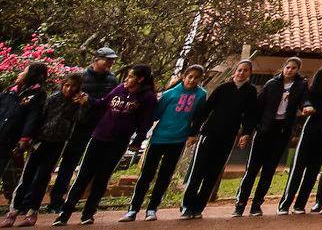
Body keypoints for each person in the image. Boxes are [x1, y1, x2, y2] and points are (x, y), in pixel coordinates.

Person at [54, 64, 158, 226]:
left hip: (118, 142)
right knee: (83, 175)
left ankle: (88, 213)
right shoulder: (119, 89)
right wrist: (87, 100)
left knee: (102, 177)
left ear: (140, 79)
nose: (127, 79)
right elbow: (102, 104)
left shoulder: (148, 97)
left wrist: (138, 140)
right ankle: (64, 213)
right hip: (99, 137)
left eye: (130, 76)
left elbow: (145, 121)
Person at [122, 66, 209, 221]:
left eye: (196, 78)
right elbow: (155, 115)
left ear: (200, 79)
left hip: (178, 140)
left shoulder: (201, 95)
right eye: (190, 76)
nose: (192, 80)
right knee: (146, 175)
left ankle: (152, 208)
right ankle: (133, 209)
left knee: (165, 176)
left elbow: (199, 116)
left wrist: (192, 134)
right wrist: (139, 134)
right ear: (184, 76)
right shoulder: (170, 94)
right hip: (159, 139)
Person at [176, 60, 258, 219]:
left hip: (228, 137)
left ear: (250, 73)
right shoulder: (223, 88)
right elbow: (206, 109)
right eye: (239, 70)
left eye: (245, 70)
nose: (241, 73)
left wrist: (246, 133)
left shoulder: (251, 92)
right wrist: (194, 133)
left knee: (212, 174)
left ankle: (198, 207)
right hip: (209, 134)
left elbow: (250, 115)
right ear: (235, 71)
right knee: (198, 171)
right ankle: (187, 206)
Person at [7, 69, 84, 228]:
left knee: (42, 179)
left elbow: (79, 121)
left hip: (58, 144)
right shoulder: (52, 98)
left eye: (73, 87)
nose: (69, 89)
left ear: (78, 88)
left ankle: (32, 213)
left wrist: (82, 104)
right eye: (67, 85)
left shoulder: (77, 103)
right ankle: (12, 213)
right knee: (26, 177)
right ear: (63, 84)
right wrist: (28, 140)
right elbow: (39, 118)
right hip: (40, 141)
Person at [235, 58, 306, 217]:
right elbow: (257, 109)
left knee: (268, 170)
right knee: (252, 169)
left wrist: (307, 106)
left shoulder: (300, 86)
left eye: (294, 68)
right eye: (288, 67)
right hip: (264, 130)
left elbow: (304, 101)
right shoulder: (271, 84)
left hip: (282, 132)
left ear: (297, 70)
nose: (290, 70)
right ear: (283, 68)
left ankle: (256, 205)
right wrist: (248, 132)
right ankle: (240, 204)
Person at [275, 64, 322, 214]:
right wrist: (307, 107)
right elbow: (304, 101)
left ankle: (300, 205)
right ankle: (284, 204)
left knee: (313, 170)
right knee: (297, 169)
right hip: (310, 133)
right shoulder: (312, 90)